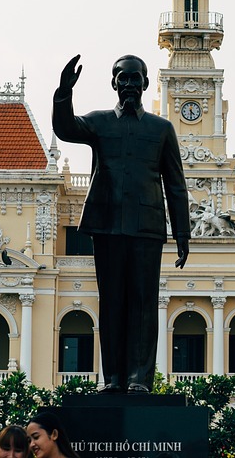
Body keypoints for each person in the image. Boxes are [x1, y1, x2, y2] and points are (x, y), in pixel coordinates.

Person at [53, 54, 191, 394]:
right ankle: (113, 377)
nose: (128, 84)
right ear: (114, 83)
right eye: (122, 78)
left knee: (143, 304)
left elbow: (175, 184)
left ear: (145, 83)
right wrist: (63, 92)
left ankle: (139, 379)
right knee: (111, 301)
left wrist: (183, 234)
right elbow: (66, 128)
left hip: (147, 227)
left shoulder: (162, 129)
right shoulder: (99, 122)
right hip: (107, 223)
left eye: (135, 78)